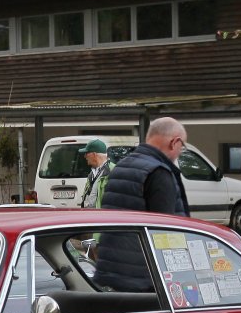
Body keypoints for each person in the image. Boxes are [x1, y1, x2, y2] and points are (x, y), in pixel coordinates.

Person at [93, 117, 190, 293]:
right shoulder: (159, 173)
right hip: (145, 279)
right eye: (182, 146)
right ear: (174, 142)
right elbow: (165, 233)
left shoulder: (120, 168)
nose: (180, 152)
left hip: (113, 271)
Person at [78, 138, 114, 208]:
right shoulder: (92, 173)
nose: (85, 156)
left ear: (94, 154)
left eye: (86, 153)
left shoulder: (113, 171)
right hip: (90, 214)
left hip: (103, 214)